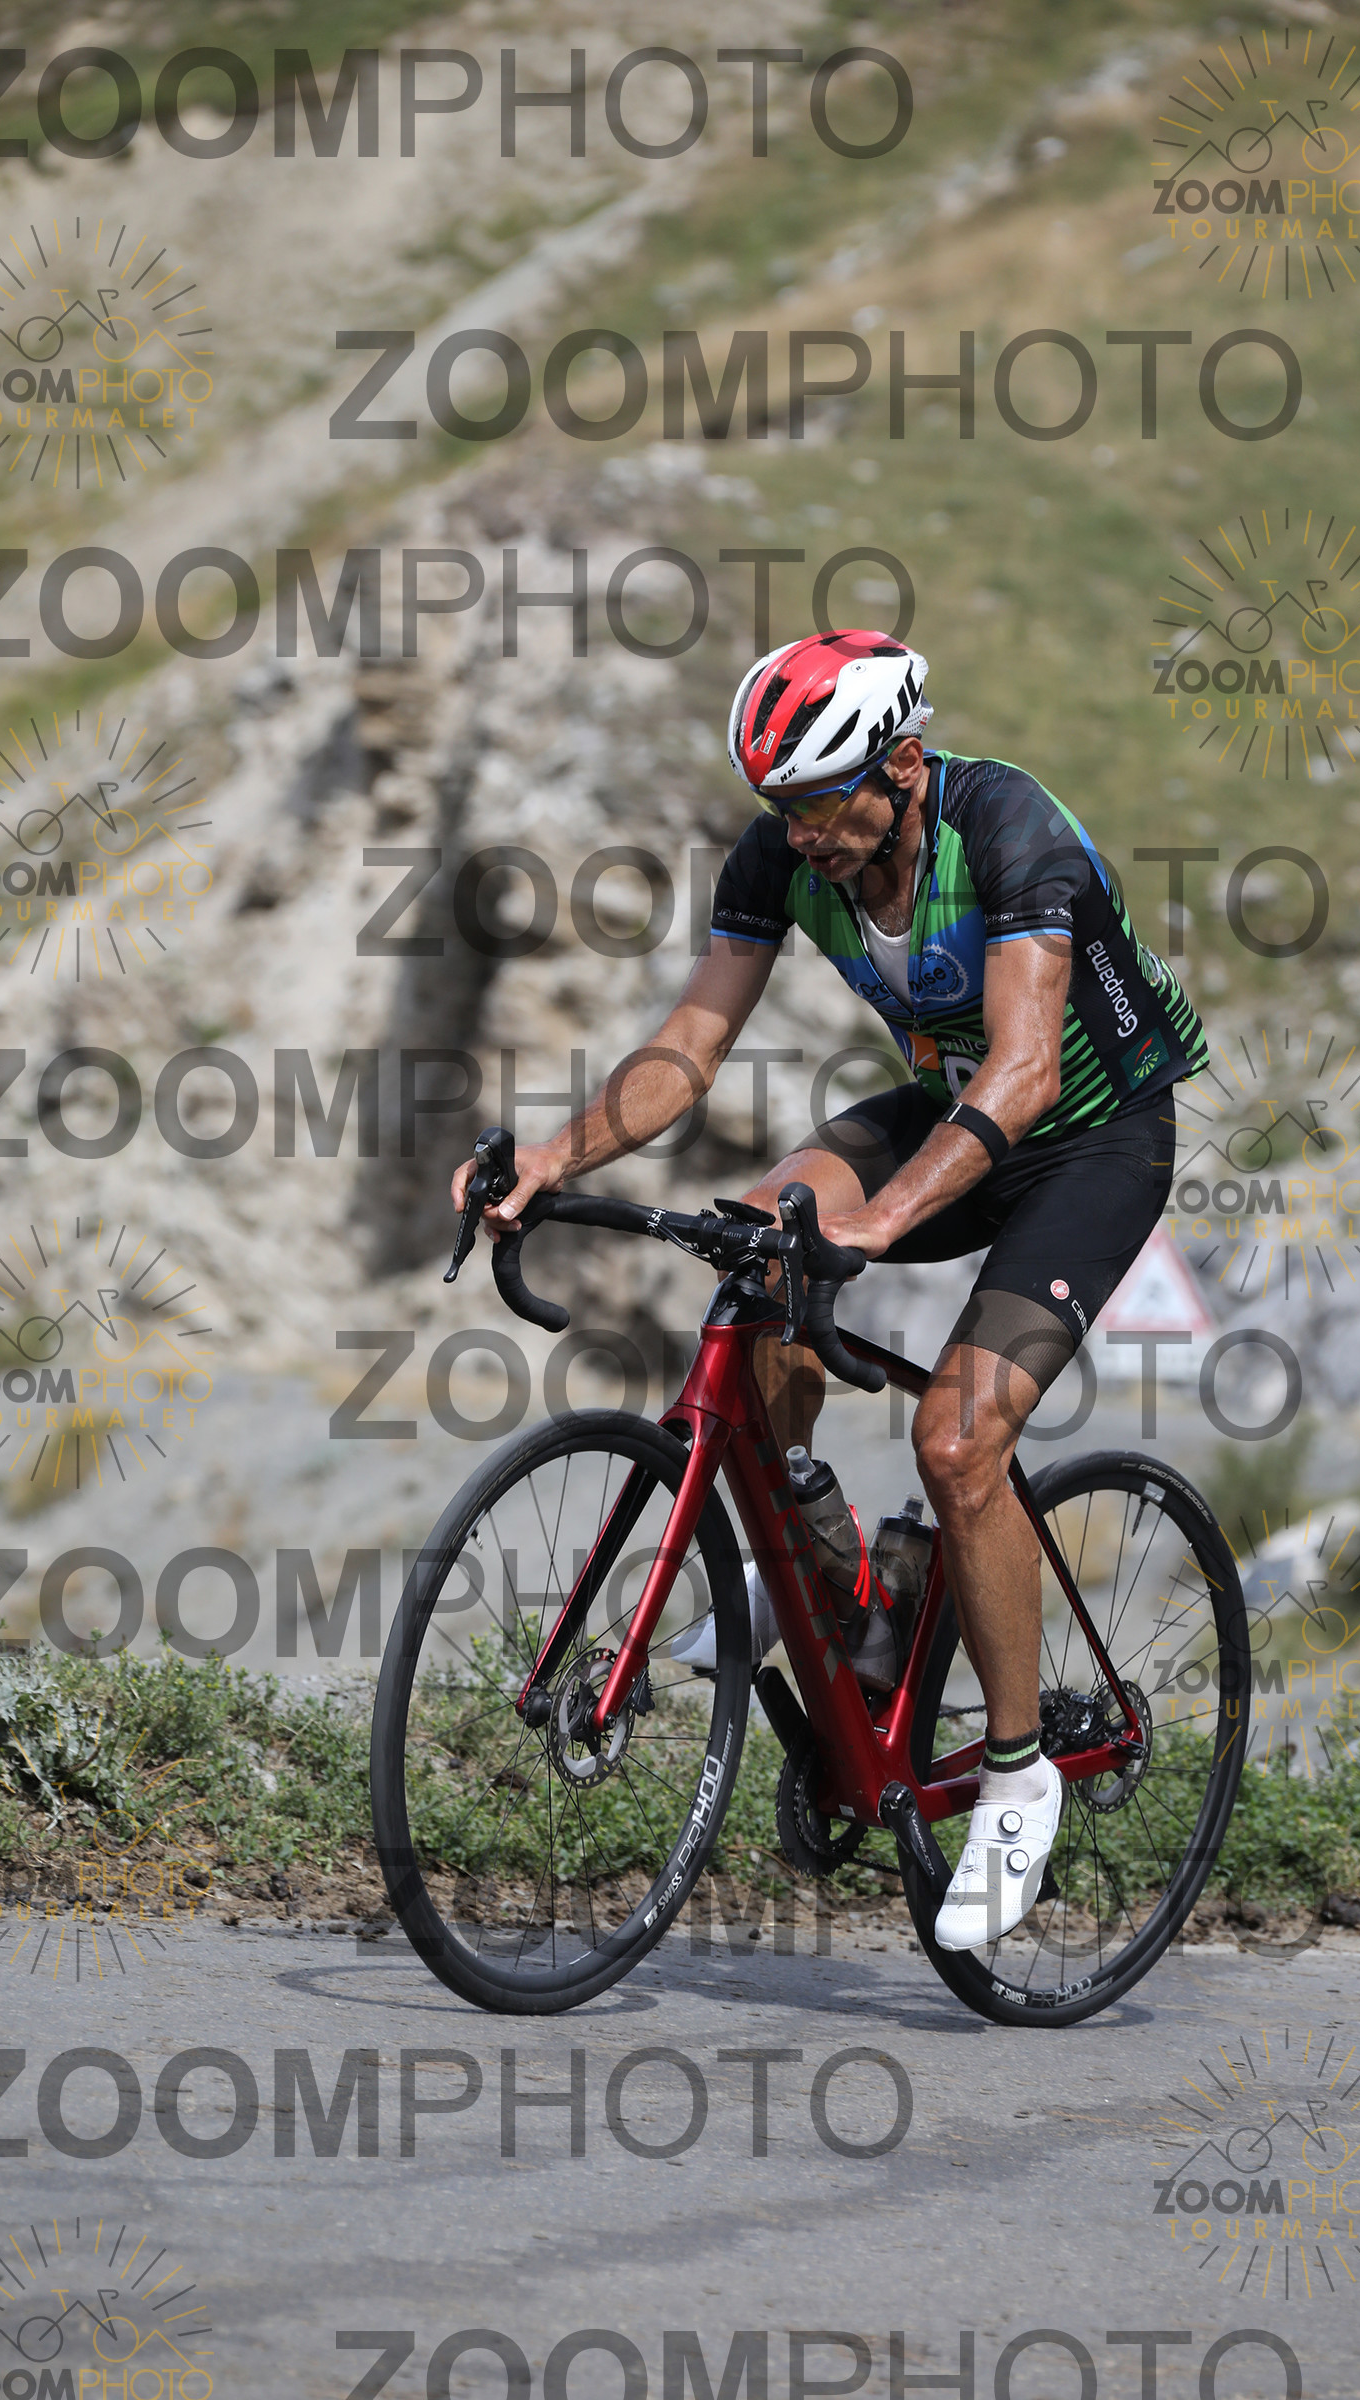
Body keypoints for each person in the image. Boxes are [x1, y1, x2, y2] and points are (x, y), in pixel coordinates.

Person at [450, 630, 1208, 1946]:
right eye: (780, 809)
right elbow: (689, 1048)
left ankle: (1020, 1777)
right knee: (757, 1247)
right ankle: (814, 1558)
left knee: (958, 1441)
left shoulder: (1010, 830)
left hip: (1091, 1139)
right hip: (951, 1109)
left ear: (901, 765)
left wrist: (880, 1221)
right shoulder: (785, 857)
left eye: (818, 804)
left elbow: (1027, 1072)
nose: (800, 836)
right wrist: (552, 1159)